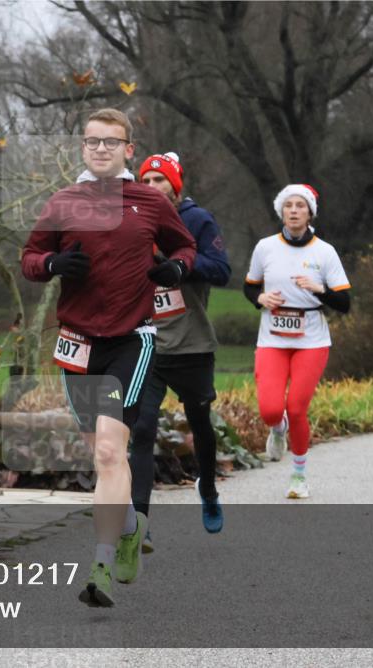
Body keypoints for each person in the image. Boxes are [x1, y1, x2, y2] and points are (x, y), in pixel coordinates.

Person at [21, 109, 197, 607]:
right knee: (96, 451)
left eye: (110, 142)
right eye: (92, 141)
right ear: (82, 148)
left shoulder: (147, 201)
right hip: (77, 340)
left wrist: (175, 271)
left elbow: (185, 247)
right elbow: (30, 259)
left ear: (128, 150)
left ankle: (99, 562)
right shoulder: (63, 202)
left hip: (130, 338)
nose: (100, 149)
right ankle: (129, 527)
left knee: (107, 451)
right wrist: (52, 263)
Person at [131, 151, 231, 550]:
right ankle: (140, 520)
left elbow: (221, 270)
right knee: (141, 429)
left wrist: (178, 265)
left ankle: (207, 487)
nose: (152, 187)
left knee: (200, 423)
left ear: (176, 186)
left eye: (160, 181)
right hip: (146, 342)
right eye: (147, 181)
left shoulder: (196, 220)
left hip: (191, 343)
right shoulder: (133, 220)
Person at [243, 184, 351, 499]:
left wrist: (320, 289)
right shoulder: (265, 247)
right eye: (288, 205)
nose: (293, 210)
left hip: (312, 339)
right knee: (270, 410)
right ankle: (278, 429)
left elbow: (345, 303)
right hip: (272, 338)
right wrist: (260, 297)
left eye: (299, 206)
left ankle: (299, 475)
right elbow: (249, 288)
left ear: (309, 213)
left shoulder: (324, 251)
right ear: (281, 211)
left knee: (298, 407)